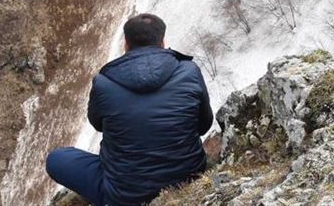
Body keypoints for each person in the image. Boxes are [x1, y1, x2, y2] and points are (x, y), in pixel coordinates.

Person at [46, 14, 214, 205]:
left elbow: (98, 124)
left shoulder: (104, 82)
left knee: (57, 159)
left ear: (125, 44)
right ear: (163, 41)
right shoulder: (189, 71)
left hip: (126, 195)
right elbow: (203, 125)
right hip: (187, 176)